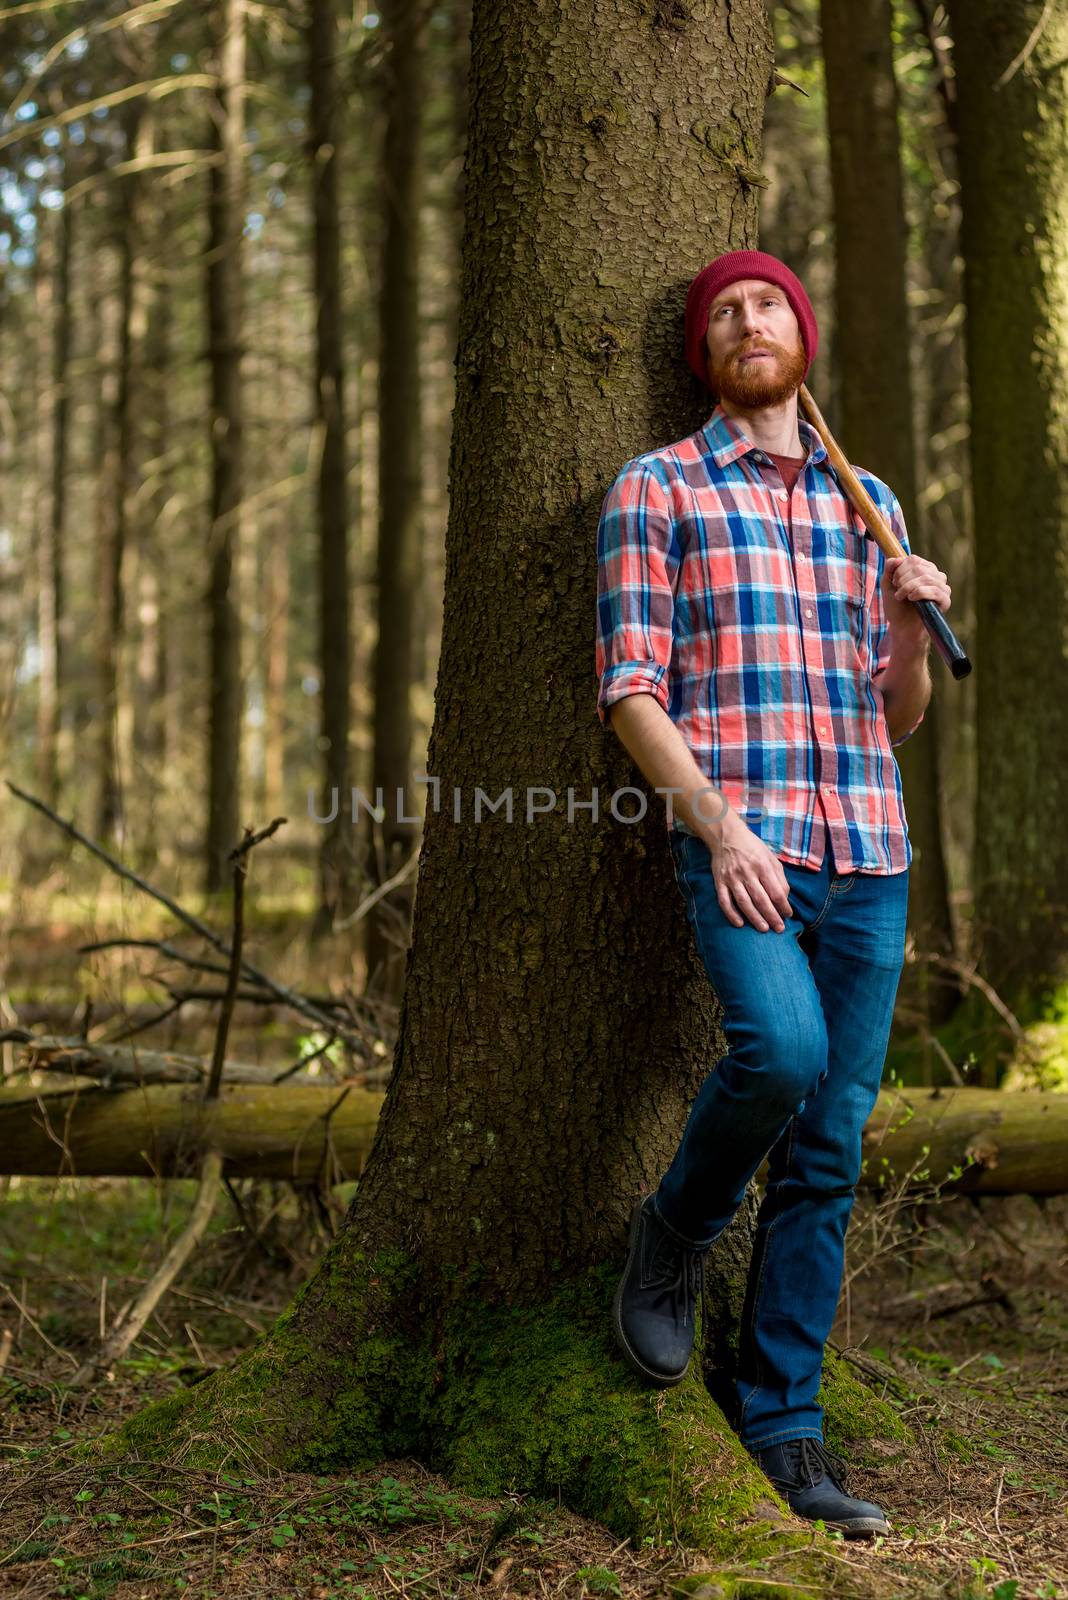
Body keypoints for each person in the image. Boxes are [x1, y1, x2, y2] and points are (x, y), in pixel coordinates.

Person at [594, 249, 952, 1538]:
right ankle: (678, 1229)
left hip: (869, 851)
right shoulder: (659, 490)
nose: (750, 323)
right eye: (726, 313)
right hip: (743, 840)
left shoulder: (872, 504)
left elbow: (894, 714)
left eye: (771, 307)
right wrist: (720, 830)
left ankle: (784, 1428)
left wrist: (909, 620)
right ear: (705, 350)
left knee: (829, 1149)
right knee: (778, 1053)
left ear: (805, 337)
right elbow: (632, 686)